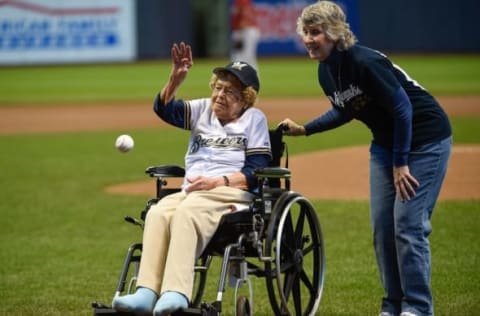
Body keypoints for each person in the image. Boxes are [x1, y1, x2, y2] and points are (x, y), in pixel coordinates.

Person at [279, 2, 452, 316]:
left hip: (425, 140)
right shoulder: (326, 71)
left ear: (334, 33)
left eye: (315, 32)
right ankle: (393, 304)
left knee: (408, 225)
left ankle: (418, 307)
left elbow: (403, 111)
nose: (308, 38)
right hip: (386, 145)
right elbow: (347, 109)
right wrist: (306, 130)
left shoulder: (365, 61)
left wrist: (401, 163)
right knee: (383, 228)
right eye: (305, 31)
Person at [112, 42, 271, 316]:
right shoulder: (201, 110)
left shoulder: (254, 119)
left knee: (187, 212)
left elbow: (256, 171)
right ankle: (146, 292)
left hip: (229, 194)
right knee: (158, 212)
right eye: (217, 87)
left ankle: (176, 293)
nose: (220, 95)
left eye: (230, 91)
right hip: (193, 193)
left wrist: (217, 182)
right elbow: (165, 110)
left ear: (246, 99)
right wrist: (175, 78)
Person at [230, 0, 261, 70]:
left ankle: (242, 77)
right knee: (248, 58)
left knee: (244, 57)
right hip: (245, 30)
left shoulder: (242, 1)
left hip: (246, 31)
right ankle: (253, 78)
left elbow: (244, 16)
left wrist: (239, 34)